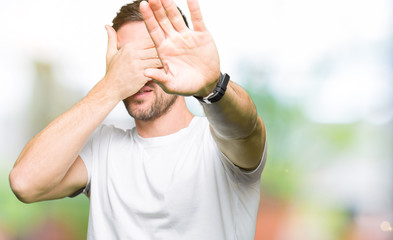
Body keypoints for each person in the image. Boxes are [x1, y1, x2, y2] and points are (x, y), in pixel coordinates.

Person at [9, 0, 267, 239]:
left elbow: (246, 129)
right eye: (126, 60)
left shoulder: (215, 143)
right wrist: (109, 88)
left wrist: (213, 86)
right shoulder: (103, 148)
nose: (138, 73)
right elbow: (25, 183)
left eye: (151, 55)